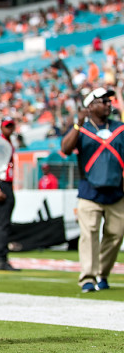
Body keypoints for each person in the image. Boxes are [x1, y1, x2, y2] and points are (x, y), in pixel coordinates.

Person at [61, 87, 124, 293]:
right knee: (89, 235)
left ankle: (102, 273)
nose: (108, 104)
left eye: (109, 101)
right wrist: (78, 123)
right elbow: (65, 148)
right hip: (90, 191)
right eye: (103, 101)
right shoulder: (82, 129)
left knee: (115, 235)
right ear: (91, 106)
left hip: (117, 192)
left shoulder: (119, 127)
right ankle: (88, 278)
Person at [0, 117, 20, 271]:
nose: (10, 129)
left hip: (6, 183)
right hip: (1, 184)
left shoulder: (7, 142)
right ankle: (0, 258)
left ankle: (1, 257)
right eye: (7, 126)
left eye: (11, 126)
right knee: (2, 224)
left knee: (4, 224)